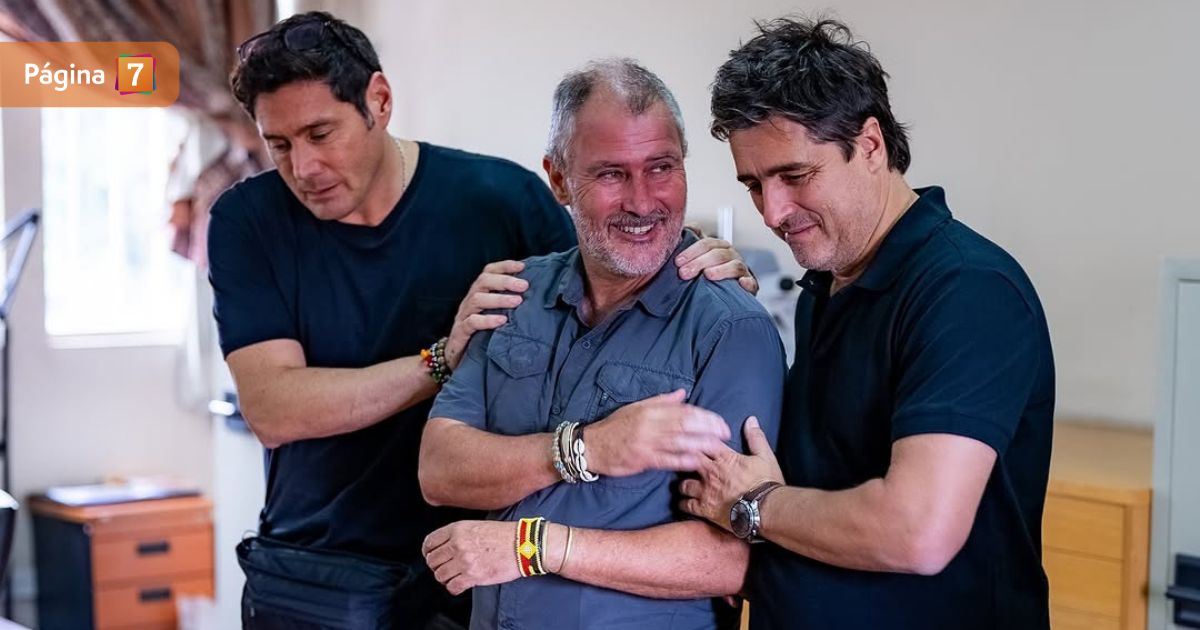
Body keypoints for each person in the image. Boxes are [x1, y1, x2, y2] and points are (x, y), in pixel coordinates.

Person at [209, 12, 755, 629]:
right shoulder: (247, 220)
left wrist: (693, 256)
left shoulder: (499, 199)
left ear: (379, 101)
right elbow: (273, 409)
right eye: (279, 144)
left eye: (320, 133)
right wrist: (443, 359)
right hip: (318, 568)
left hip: (474, 570)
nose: (304, 166)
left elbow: (612, 269)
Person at [678, 17, 1056, 630]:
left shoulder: (968, 290)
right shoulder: (826, 285)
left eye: (794, 176)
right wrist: (724, 301)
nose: (772, 212)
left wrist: (754, 504)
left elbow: (918, 531)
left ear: (872, 145)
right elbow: (824, 475)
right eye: (755, 185)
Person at [417, 59, 786, 630]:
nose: (642, 202)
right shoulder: (515, 294)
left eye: (661, 167)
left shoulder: (730, 328)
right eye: (612, 174)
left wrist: (532, 546)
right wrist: (586, 450)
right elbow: (440, 470)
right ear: (559, 180)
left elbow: (730, 561)